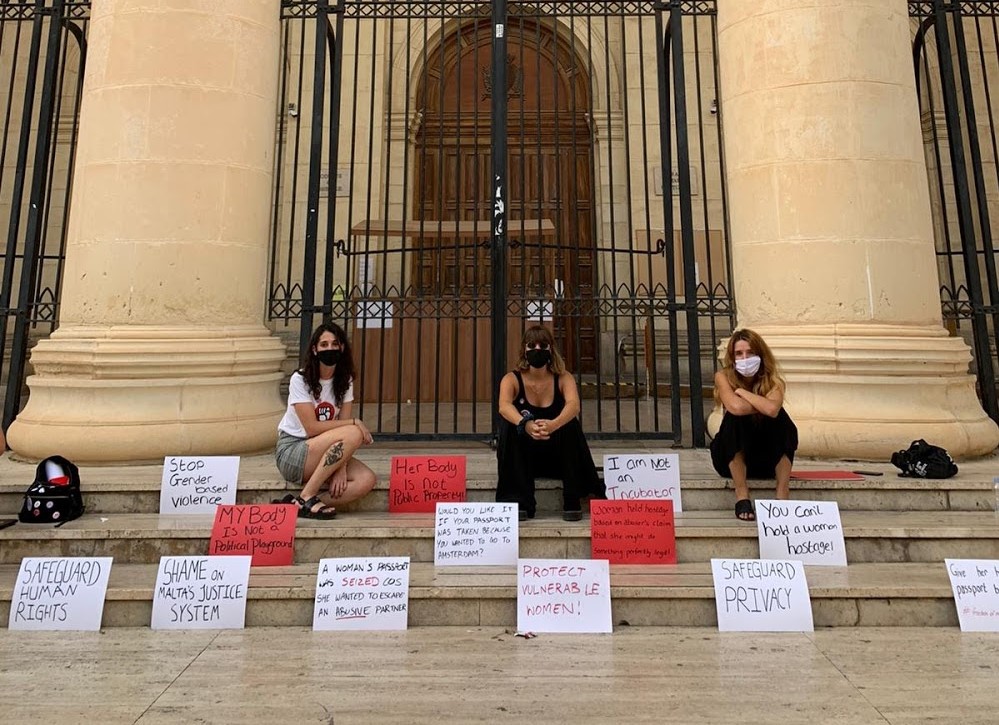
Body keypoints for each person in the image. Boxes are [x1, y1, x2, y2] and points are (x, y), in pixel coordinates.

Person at [496, 325, 605, 521]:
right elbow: (504, 406)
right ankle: (518, 500)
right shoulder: (511, 379)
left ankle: (572, 499)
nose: (537, 349)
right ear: (524, 350)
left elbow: (574, 405)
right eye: (531, 345)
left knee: (570, 423)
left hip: (557, 455)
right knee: (508, 425)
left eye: (543, 345)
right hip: (524, 457)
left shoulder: (563, 378)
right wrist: (526, 424)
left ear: (551, 349)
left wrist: (554, 424)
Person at [274, 322, 376, 519]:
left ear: (342, 347)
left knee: (366, 480)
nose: (330, 348)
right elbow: (311, 428)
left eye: (334, 344)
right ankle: (307, 495)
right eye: (324, 344)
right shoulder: (300, 379)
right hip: (293, 451)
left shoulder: (344, 380)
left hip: (324, 450)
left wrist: (341, 467)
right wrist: (355, 422)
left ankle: (301, 504)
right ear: (314, 349)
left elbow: (345, 430)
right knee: (353, 430)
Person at [710, 329, 798, 521]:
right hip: (729, 458)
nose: (745, 358)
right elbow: (735, 407)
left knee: (783, 420)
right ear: (732, 358)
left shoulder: (775, 382)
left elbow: (773, 410)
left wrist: (743, 392)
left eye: (750, 353)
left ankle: (782, 492)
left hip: (766, 459)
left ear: (760, 354)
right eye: (739, 354)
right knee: (735, 420)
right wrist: (761, 404)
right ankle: (742, 494)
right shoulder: (723, 376)